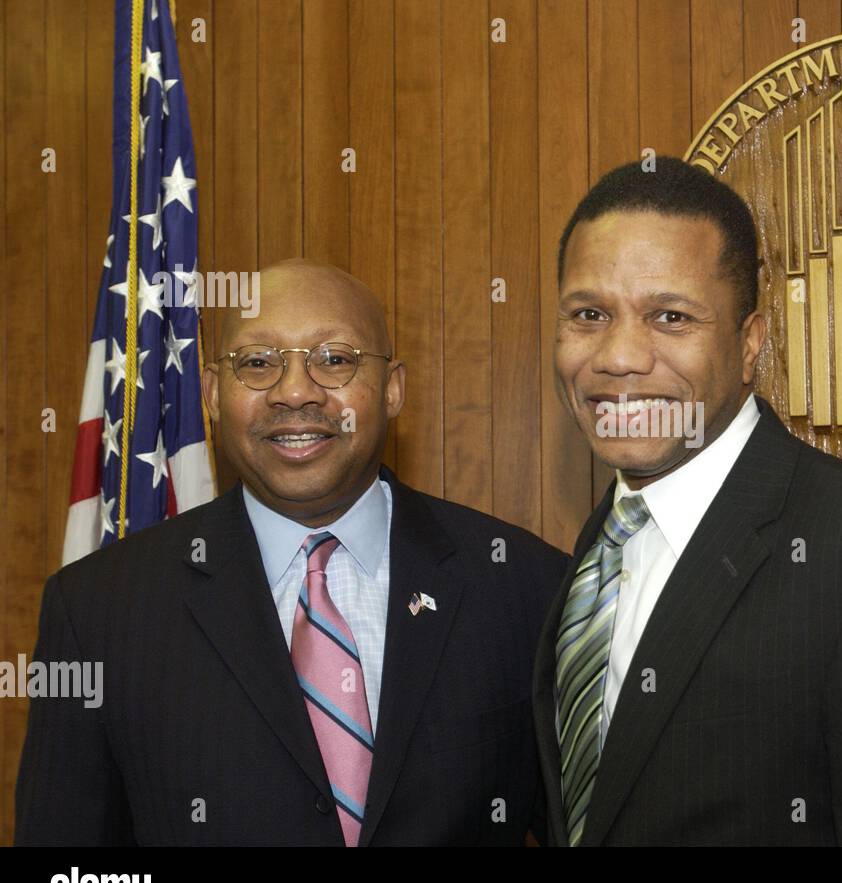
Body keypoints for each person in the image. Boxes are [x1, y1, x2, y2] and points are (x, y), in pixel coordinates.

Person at [534, 158, 842, 845]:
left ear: (749, 344)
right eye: (589, 314)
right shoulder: (602, 547)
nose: (619, 356)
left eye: (670, 316)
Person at [16, 259, 566, 845]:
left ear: (393, 388)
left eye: (335, 359)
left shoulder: (524, 586)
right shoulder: (98, 610)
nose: (296, 392)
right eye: (257, 363)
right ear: (210, 393)